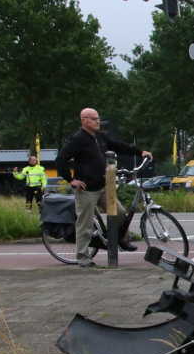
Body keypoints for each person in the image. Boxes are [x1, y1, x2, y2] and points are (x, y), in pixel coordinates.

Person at [55, 108, 153, 268]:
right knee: (85, 225)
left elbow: (118, 145)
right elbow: (60, 160)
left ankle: (120, 239)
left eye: (98, 118)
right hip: (86, 189)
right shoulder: (77, 140)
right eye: (93, 119)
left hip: (103, 186)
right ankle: (83, 258)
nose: (97, 121)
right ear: (83, 120)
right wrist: (71, 180)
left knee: (121, 213)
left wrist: (139, 152)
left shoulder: (100, 137)